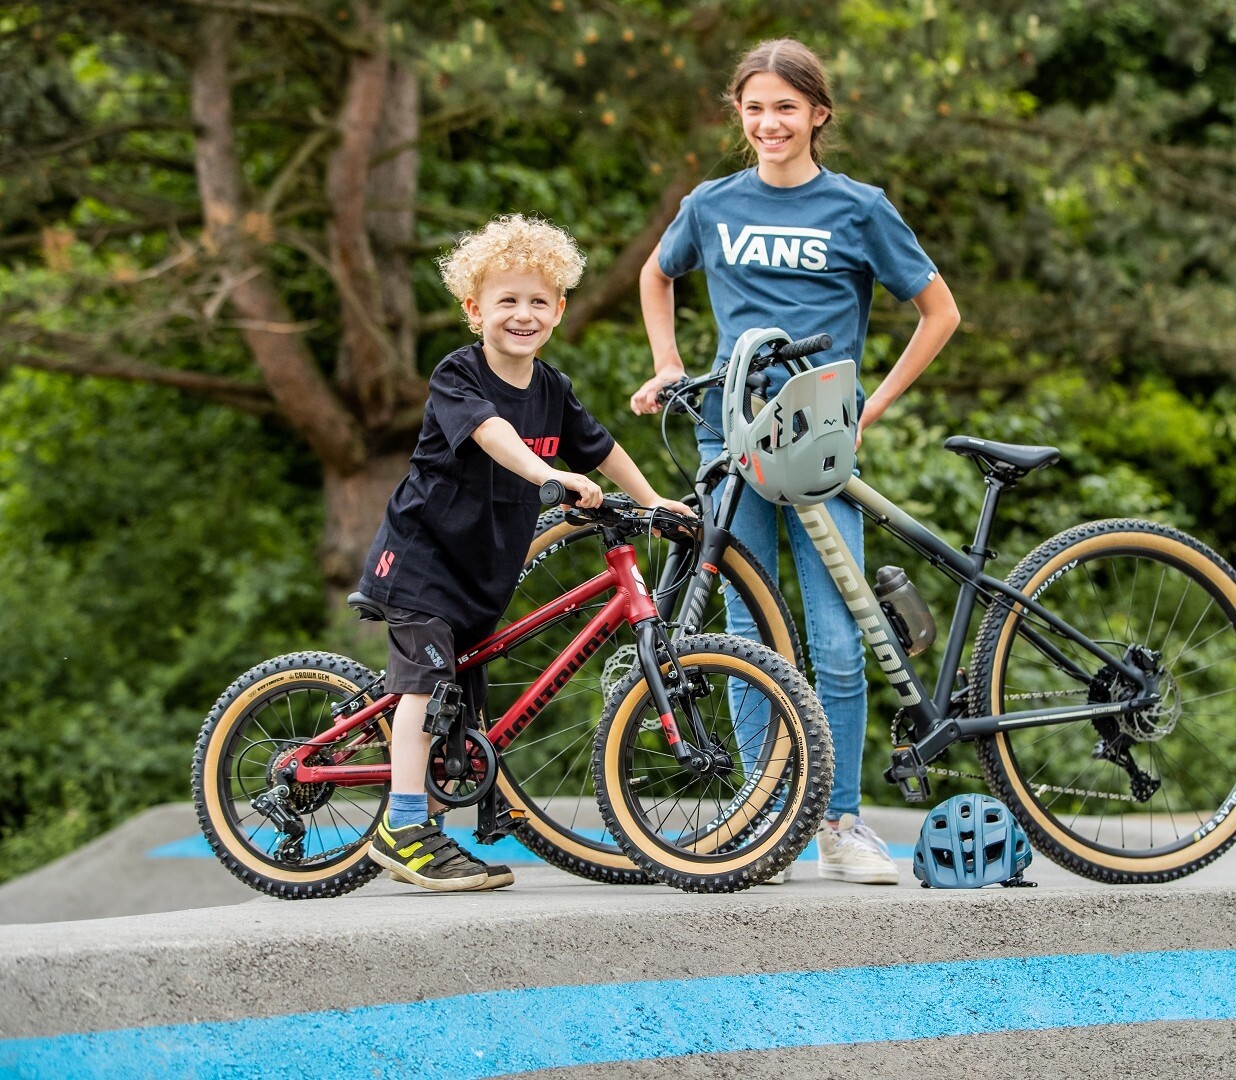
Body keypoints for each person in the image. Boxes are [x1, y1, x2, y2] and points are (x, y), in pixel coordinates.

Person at [631, 39, 961, 884]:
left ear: (818, 114)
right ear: (738, 116)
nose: (769, 122)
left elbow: (939, 312)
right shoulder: (711, 204)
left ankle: (839, 824)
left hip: (818, 443)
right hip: (730, 440)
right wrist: (667, 364)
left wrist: (872, 407)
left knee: (839, 640)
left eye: (785, 107)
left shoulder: (859, 208)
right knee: (748, 635)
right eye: (754, 108)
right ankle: (764, 817)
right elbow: (656, 275)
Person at [363, 214, 692, 892]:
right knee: (426, 685)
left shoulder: (551, 388)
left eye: (538, 301)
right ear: (473, 309)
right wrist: (548, 475)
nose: (523, 314)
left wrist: (652, 500)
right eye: (506, 300)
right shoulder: (458, 375)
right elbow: (491, 435)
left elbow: (599, 447)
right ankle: (402, 827)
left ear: (559, 311)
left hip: (484, 570)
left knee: (462, 703)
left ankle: (434, 827)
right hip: (424, 559)